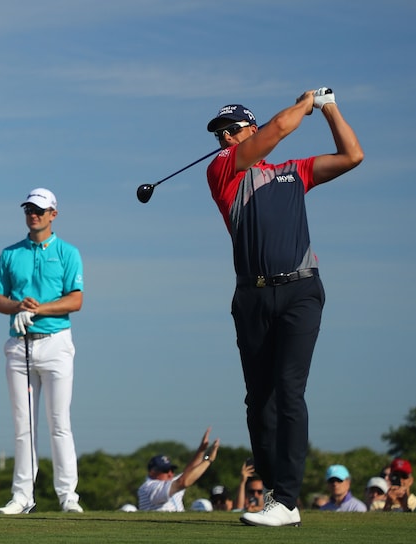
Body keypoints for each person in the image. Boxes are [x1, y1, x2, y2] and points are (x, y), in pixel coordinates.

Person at [204, 88, 364, 527]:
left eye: (232, 130)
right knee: (259, 401)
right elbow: (276, 130)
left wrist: (328, 106)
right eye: (219, 133)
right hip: (251, 296)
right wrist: (306, 102)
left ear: (248, 129)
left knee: (290, 392)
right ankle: (277, 496)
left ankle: (288, 500)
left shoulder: (295, 173)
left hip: (301, 292)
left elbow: (352, 155)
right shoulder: (222, 171)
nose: (224, 139)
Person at [0, 188, 84, 514]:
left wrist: (40, 309)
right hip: (19, 345)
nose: (34, 214)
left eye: (40, 210)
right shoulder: (10, 253)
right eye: (29, 209)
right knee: (23, 425)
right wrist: (19, 305)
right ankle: (22, 496)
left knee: (59, 422)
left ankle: (67, 495)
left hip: (56, 343)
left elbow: (76, 299)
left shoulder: (68, 253)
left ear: (53, 214)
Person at [137, 427, 220, 512]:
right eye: (165, 471)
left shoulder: (169, 482)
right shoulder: (149, 487)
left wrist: (202, 450)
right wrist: (208, 460)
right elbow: (183, 481)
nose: (170, 474)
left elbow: (189, 472)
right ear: (152, 472)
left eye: (172, 470)